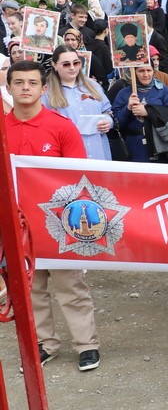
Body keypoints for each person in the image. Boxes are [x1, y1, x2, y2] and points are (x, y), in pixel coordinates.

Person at [6, 60, 102, 371]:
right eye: (18, 82)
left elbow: (80, 177)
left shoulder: (61, 127)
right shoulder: (2, 130)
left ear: (43, 88)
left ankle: (86, 344)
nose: (25, 88)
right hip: (16, 225)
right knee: (31, 288)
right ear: (8, 88)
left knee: (70, 285)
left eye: (32, 83)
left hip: (60, 223)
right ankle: (44, 344)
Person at [43, 46, 113, 161]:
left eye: (76, 63)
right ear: (54, 65)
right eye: (66, 64)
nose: (72, 68)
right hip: (68, 153)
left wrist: (107, 122)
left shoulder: (93, 86)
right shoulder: (47, 91)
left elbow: (107, 112)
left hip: (98, 150)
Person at [111, 62, 168, 162]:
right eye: (141, 71)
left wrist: (149, 112)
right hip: (134, 146)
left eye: (149, 70)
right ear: (134, 72)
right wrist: (127, 108)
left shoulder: (163, 91)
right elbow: (116, 124)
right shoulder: (124, 93)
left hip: (159, 144)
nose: (146, 75)